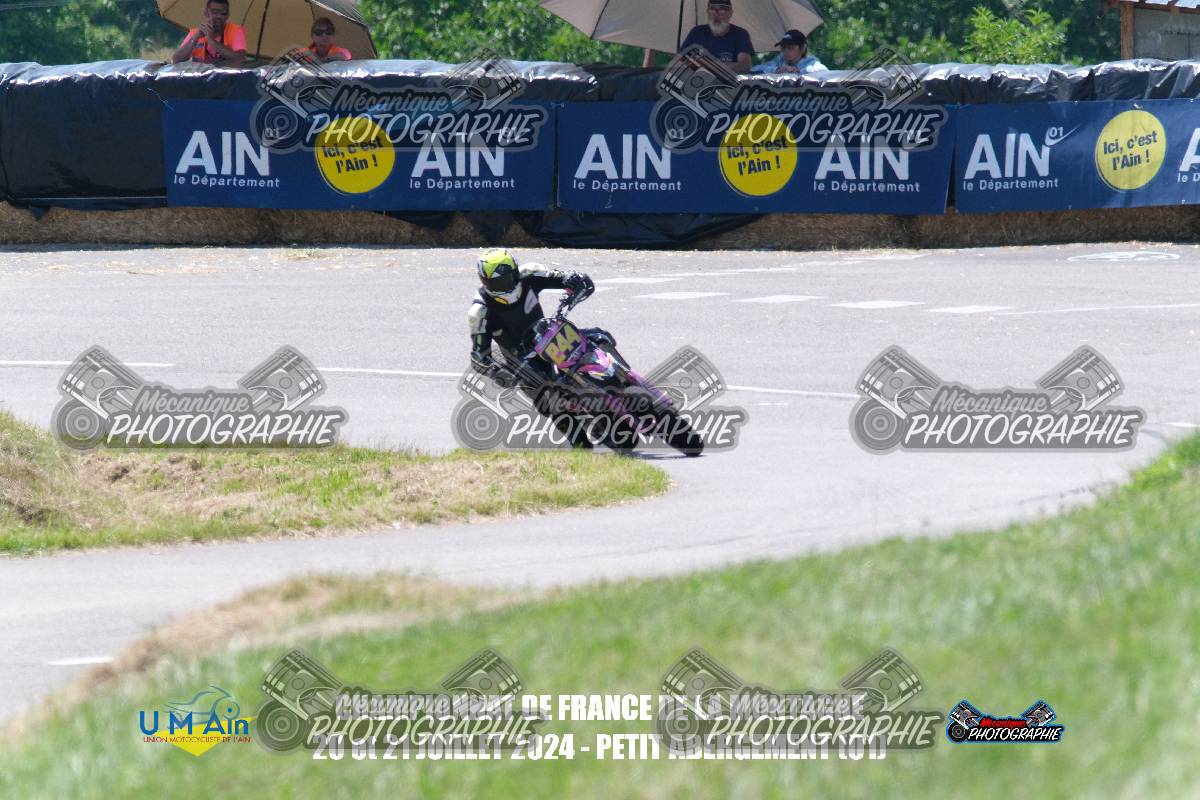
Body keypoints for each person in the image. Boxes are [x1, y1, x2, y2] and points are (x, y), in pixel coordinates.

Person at [469, 248, 596, 448]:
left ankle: (619, 380)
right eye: (496, 283)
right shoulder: (480, 310)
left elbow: (564, 278)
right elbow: (478, 356)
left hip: (549, 336)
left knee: (596, 339)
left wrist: (572, 279)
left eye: (507, 279)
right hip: (522, 360)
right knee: (549, 402)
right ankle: (581, 445)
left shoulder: (529, 274)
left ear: (515, 272)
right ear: (484, 281)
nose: (503, 286)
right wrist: (497, 372)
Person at [678, 0, 754, 74]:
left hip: (728, 81)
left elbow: (745, 66)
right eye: (712, 9)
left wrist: (705, 64)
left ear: (730, 13)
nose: (716, 14)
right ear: (707, 12)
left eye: (722, 10)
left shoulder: (740, 34)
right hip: (698, 80)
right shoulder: (697, 32)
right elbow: (678, 62)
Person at [171, 0, 247, 65]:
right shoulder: (195, 33)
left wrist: (212, 41)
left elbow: (240, 59)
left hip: (227, 77)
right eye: (215, 12)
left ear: (228, 15)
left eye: (223, 13)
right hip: (200, 77)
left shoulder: (236, 30)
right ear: (206, 12)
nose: (219, 16)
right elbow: (175, 60)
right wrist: (194, 38)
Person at [752, 29, 826, 75]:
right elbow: (754, 69)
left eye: (791, 48)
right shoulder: (780, 60)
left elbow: (823, 70)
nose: (786, 51)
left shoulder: (810, 61)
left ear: (803, 48)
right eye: (783, 47)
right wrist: (776, 70)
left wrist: (799, 71)